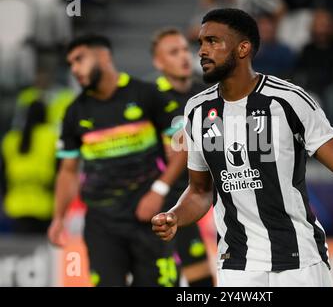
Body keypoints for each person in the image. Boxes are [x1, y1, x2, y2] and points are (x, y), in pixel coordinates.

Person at [151, 8, 333, 287]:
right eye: (201, 43)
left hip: (298, 263)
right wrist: (175, 216)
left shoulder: (288, 101)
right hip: (237, 266)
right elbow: (200, 191)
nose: (203, 51)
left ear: (243, 49)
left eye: (213, 41)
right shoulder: (197, 109)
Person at [47, 34, 186, 287]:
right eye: (70, 64)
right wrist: (59, 217)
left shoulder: (146, 94)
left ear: (103, 56)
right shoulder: (74, 112)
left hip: (150, 219)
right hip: (102, 225)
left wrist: (159, 190)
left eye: (79, 59)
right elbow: (68, 171)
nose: (75, 69)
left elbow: (182, 148)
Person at [150, 28, 214, 286]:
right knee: (166, 280)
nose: (184, 57)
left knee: (202, 282)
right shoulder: (149, 98)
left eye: (184, 50)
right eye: (173, 52)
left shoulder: (207, 93)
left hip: (196, 199)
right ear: (158, 62)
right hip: (163, 203)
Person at [1, 100, 57, 234]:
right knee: (42, 252)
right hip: (44, 204)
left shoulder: (10, 139)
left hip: (16, 206)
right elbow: (60, 170)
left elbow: (3, 175)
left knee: (20, 251)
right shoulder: (51, 137)